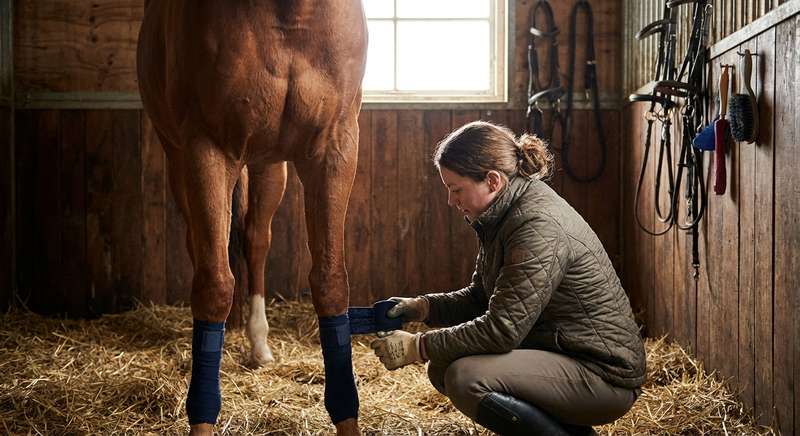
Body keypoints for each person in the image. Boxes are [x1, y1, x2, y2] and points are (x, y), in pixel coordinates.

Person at [370, 121, 646, 436]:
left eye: (456, 189)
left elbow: (502, 330)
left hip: (602, 375)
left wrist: (418, 346)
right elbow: (480, 298)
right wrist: (422, 308)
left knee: (465, 377)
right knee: (443, 366)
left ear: (492, 180)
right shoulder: (505, 212)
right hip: (563, 353)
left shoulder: (535, 225)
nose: (451, 201)